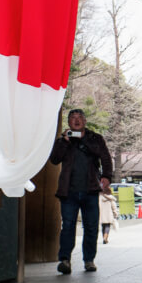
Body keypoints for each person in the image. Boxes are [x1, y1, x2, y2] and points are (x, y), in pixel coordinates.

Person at [48, 109, 113, 274]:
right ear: (68, 122)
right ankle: (65, 260)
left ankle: (89, 260)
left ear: (85, 121)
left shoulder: (95, 138)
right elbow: (54, 159)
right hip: (68, 191)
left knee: (91, 226)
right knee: (68, 226)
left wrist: (106, 177)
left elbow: (105, 157)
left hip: (90, 189)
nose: (76, 121)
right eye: (72, 118)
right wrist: (64, 141)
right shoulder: (64, 140)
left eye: (79, 118)